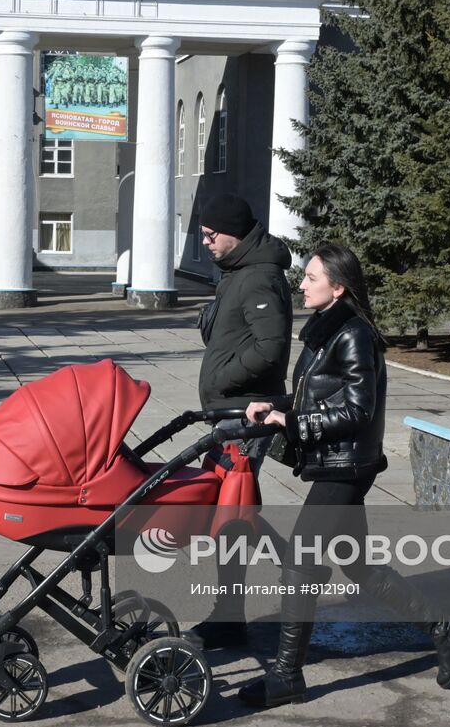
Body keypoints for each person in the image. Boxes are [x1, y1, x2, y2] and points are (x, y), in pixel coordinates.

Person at [238, 243, 450, 708]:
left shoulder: (353, 334)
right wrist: (275, 406)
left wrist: (294, 423)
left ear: (338, 287)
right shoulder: (326, 329)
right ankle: (447, 629)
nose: (302, 284)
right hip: (339, 460)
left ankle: (287, 675)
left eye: (311, 277)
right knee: (358, 563)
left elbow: (357, 410)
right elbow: (316, 397)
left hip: (346, 466)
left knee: (300, 561)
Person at [190, 193, 293, 648]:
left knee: (232, 511)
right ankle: (292, 565)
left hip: (247, 413)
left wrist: (223, 381)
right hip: (232, 411)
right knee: (234, 506)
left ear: (233, 232)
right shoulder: (238, 272)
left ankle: (230, 615)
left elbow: (270, 349)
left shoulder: (258, 277)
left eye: (211, 234)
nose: (206, 242)